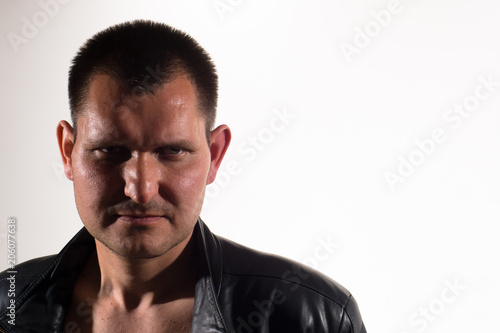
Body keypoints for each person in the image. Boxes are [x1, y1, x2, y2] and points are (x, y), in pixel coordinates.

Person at [0, 20, 366, 332]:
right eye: (111, 151)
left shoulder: (312, 318)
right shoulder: (7, 307)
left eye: (172, 151)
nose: (140, 189)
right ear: (68, 151)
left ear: (215, 155)